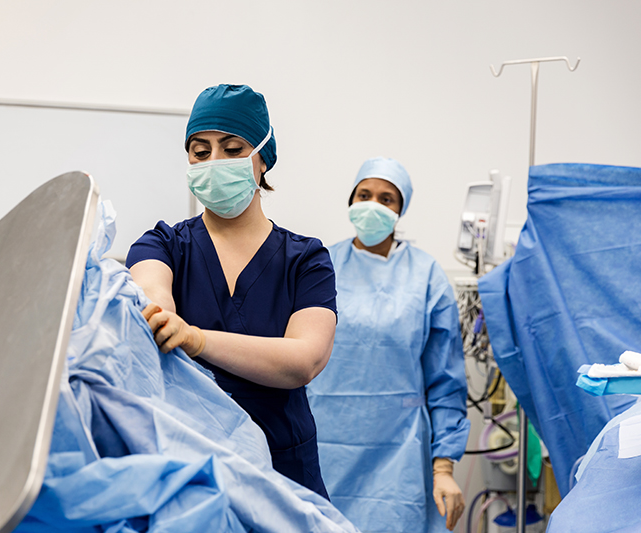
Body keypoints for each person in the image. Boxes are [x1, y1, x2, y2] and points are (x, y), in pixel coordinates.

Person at [126, 84, 337, 498]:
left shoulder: (305, 260)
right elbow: (152, 297)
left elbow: (304, 360)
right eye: (200, 152)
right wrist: (163, 317)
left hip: (284, 470)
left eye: (232, 148)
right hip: (193, 468)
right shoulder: (163, 245)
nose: (214, 162)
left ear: (262, 159)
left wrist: (196, 339)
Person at [307, 157, 470, 532]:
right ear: (351, 201)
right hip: (325, 446)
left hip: (400, 456)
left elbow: (445, 380)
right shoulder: (320, 264)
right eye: (364, 195)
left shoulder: (426, 275)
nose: (373, 205)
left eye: (386, 198)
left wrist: (443, 467)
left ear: (400, 210)